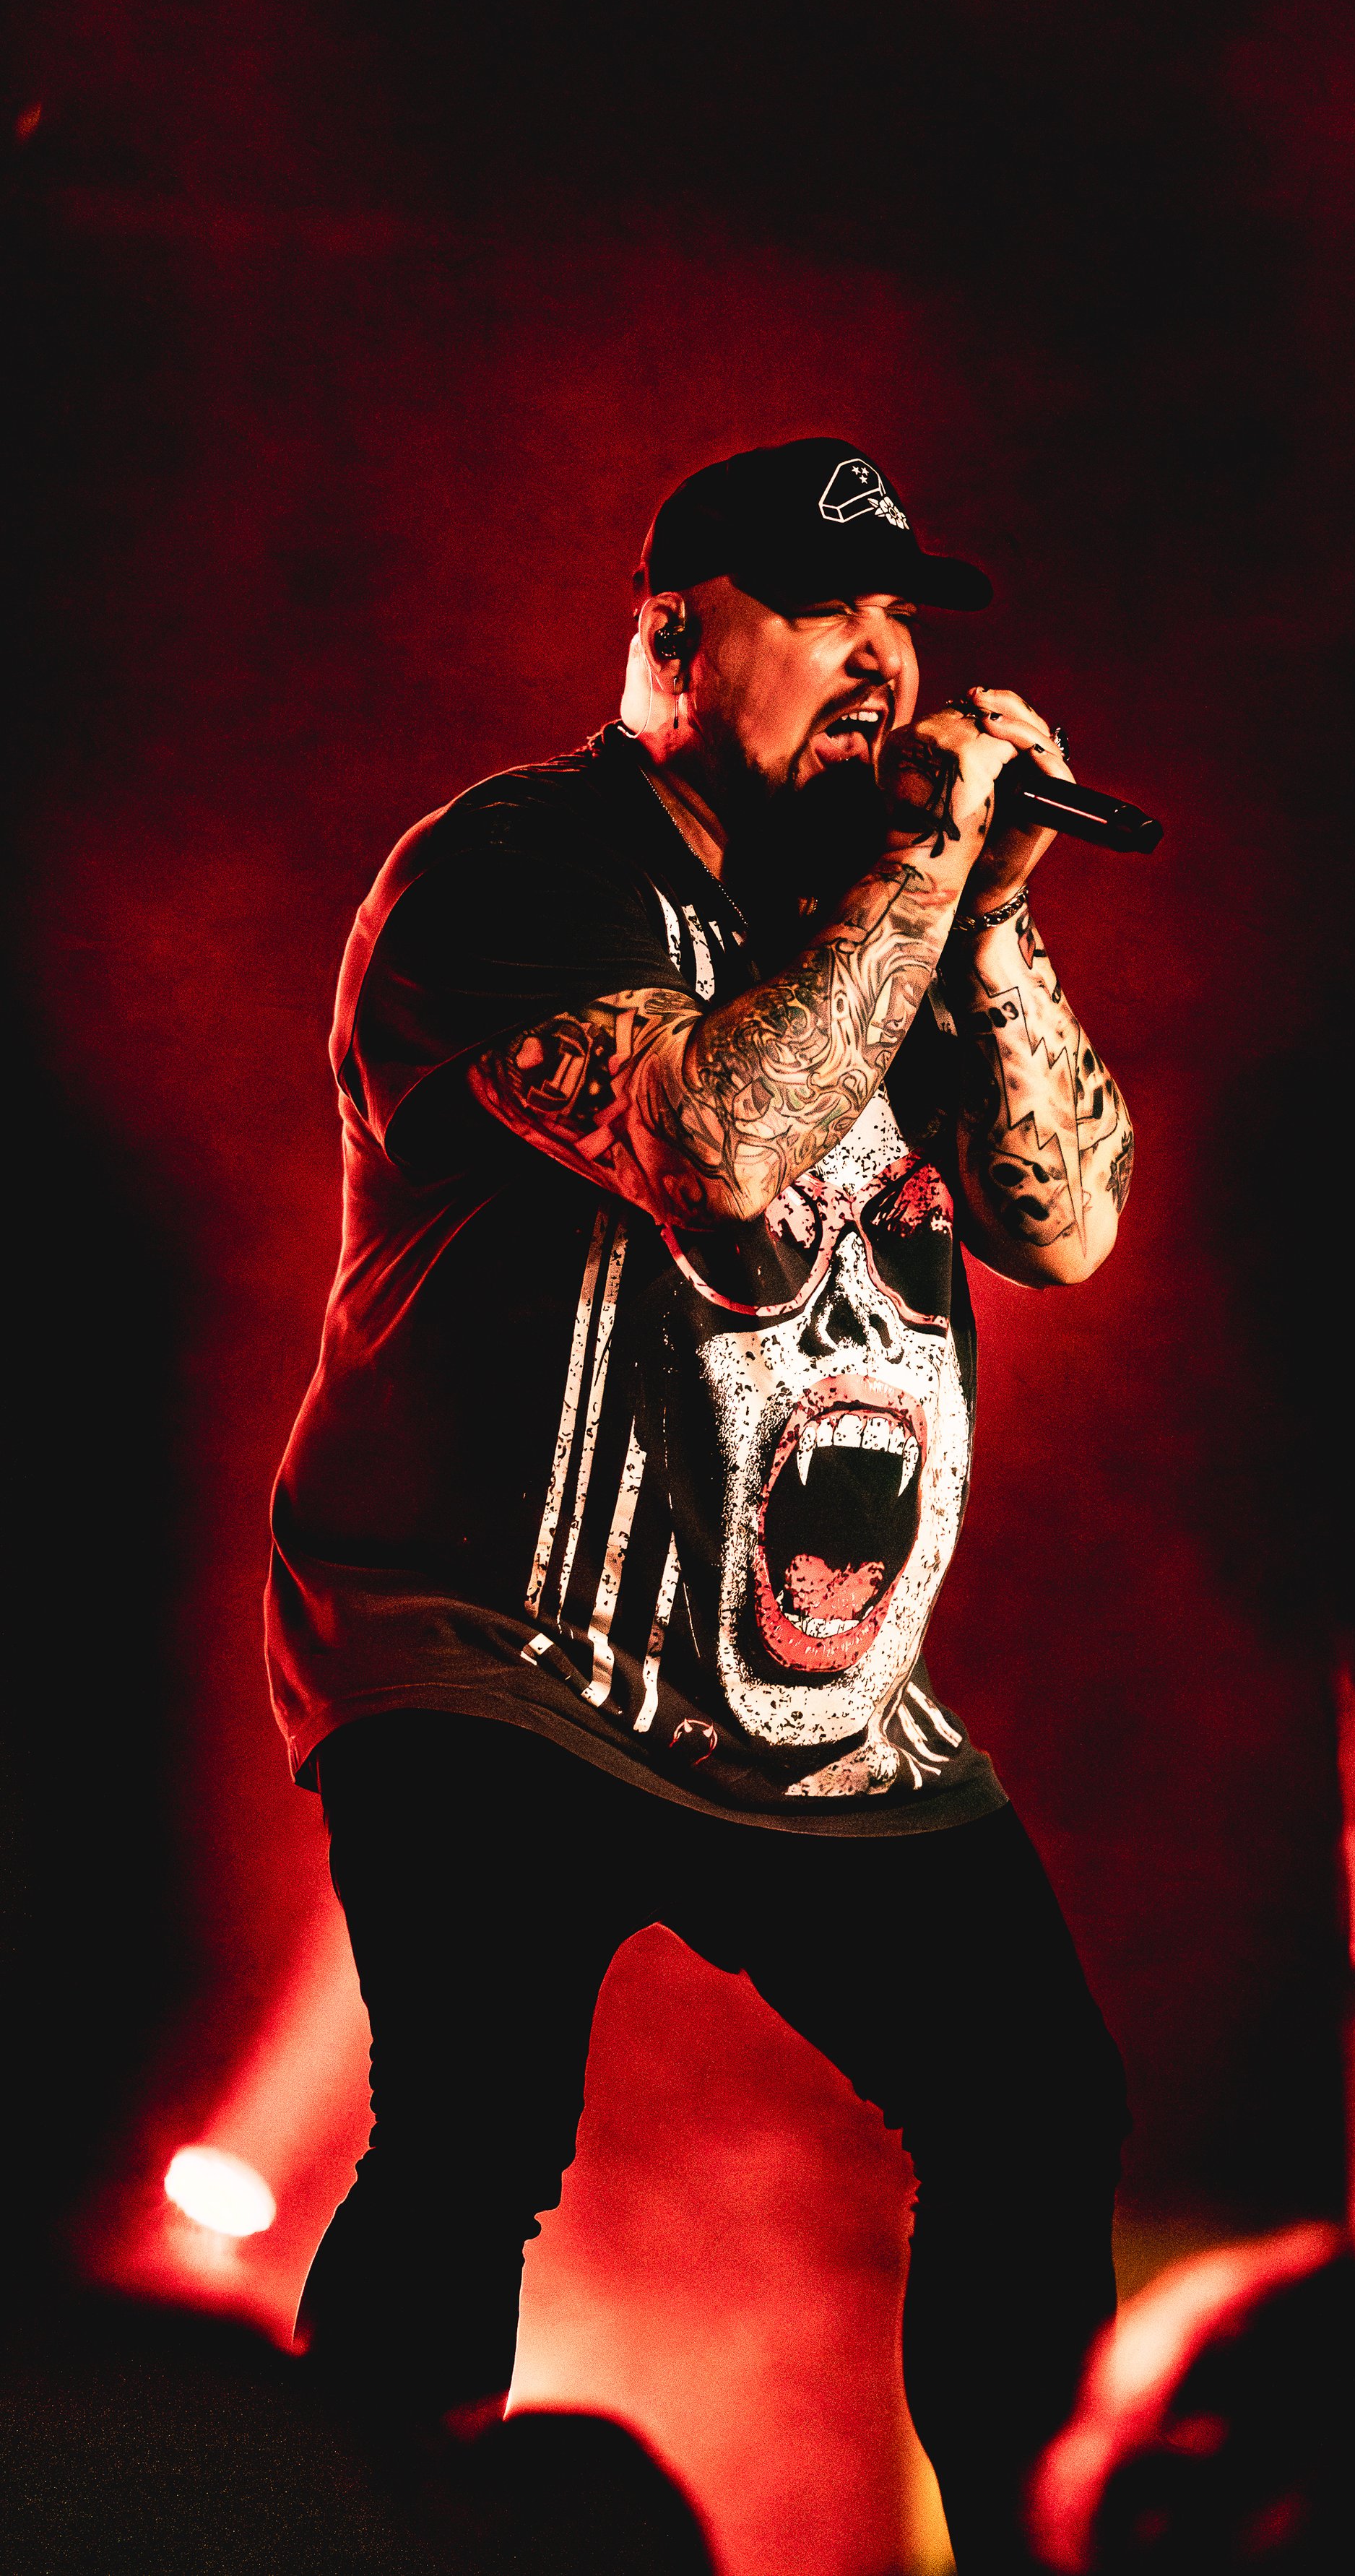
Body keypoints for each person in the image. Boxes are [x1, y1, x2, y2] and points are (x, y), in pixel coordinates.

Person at [267, 436, 1135, 2571]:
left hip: (805, 1691)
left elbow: (1069, 1223)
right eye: (822, 610)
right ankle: (336, 2543)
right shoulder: (518, 864)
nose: (880, 662)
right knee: (471, 2142)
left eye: (899, 619)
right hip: (493, 1644)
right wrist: (922, 883)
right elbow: (721, 1145)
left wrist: (992, 926)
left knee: (1034, 2105)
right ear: (671, 637)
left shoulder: (895, 900)